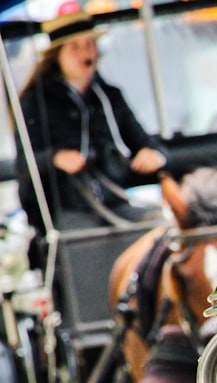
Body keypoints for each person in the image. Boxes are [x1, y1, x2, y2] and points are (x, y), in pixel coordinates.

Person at [15, 10, 168, 233]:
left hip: (114, 202)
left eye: (89, 44)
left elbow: (145, 142)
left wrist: (152, 154)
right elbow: (24, 163)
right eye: (74, 47)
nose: (85, 53)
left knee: (160, 229)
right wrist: (56, 158)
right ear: (57, 55)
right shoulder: (36, 102)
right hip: (66, 211)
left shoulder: (110, 97)